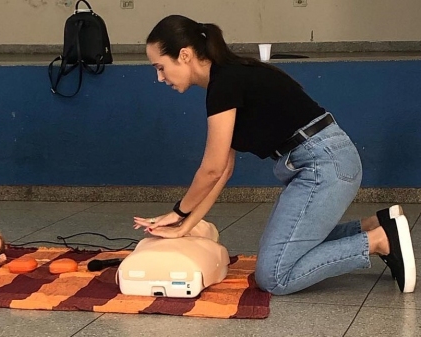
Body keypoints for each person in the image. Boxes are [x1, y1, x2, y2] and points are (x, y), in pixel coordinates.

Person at [133, 14, 416, 295]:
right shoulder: (227, 78)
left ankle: (379, 240)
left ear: (184, 55)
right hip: (325, 161)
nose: (159, 77)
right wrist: (185, 226)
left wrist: (178, 212)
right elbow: (223, 171)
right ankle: (376, 225)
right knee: (282, 249)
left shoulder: (225, 82)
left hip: (323, 165)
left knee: (274, 276)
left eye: (160, 67)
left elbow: (211, 169)